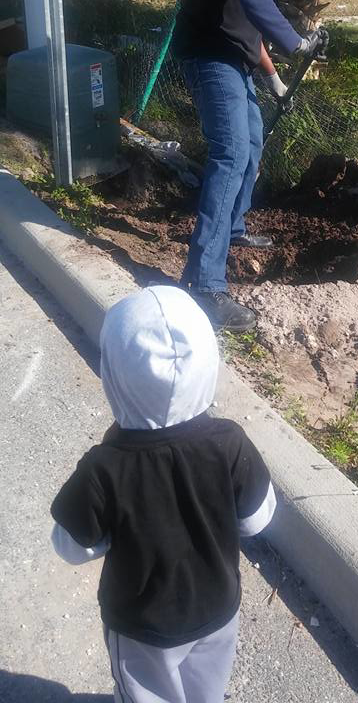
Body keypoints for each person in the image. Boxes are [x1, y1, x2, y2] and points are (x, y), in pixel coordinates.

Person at [50, 286, 276, 703]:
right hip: (218, 608)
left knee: (148, 694)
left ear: (113, 375)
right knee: (207, 688)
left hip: (142, 624)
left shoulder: (106, 464)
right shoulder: (229, 442)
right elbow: (257, 518)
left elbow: (71, 546)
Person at [173, 0, 327, 332]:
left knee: (253, 139)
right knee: (232, 152)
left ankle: (232, 230)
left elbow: (245, 20)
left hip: (228, 56)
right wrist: (298, 42)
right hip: (210, 56)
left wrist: (277, 80)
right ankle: (204, 285)